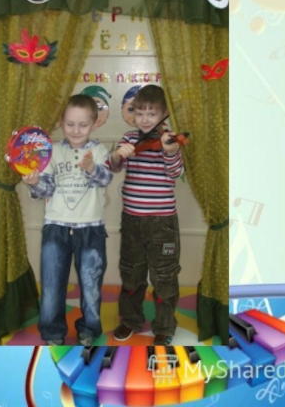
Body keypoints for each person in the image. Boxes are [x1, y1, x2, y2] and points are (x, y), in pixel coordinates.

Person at [22, 95, 113, 346]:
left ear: (94, 123)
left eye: (83, 125)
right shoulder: (52, 151)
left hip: (91, 229)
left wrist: (90, 167)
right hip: (56, 228)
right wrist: (35, 182)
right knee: (52, 285)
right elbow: (47, 189)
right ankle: (52, 332)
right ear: (61, 122)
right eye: (70, 124)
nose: (76, 130)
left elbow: (105, 179)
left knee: (91, 284)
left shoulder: (99, 150)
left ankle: (89, 329)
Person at [108, 84, 184, 346]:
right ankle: (130, 320)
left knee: (164, 276)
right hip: (132, 220)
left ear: (164, 114)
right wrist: (117, 155)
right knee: (131, 273)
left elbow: (175, 173)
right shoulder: (129, 138)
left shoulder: (168, 140)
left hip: (162, 223)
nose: (144, 119)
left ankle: (164, 325)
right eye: (139, 113)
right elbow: (113, 166)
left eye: (151, 114)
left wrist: (170, 152)